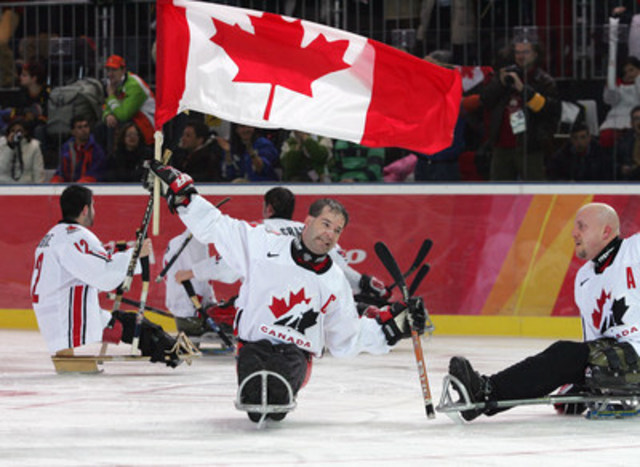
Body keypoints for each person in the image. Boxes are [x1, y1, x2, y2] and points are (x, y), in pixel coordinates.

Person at [147, 161, 427, 423]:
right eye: (326, 224)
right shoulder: (262, 245)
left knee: (275, 400)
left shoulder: (334, 280)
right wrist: (185, 196)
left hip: (296, 356)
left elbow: (345, 339)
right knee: (255, 402)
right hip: (252, 346)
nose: (330, 234)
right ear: (308, 221)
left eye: (337, 230)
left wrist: (390, 328)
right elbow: (217, 226)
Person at [447, 202, 640, 421]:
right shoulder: (584, 278)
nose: (573, 233)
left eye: (581, 226)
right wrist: (580, 382)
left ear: (606, 231)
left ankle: (485, 391)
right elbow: (592, 344)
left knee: (566, 353)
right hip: (616, 358)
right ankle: (484, 394)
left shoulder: (635, 250)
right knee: (565, 353)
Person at [29, 184, 190, 367]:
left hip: (54, 310)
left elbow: (86, 263)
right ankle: (171, 352)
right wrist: (136, 256)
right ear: (85, 209)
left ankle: (167, 348)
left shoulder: (53, 236)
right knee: (131, 325)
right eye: (93, 206)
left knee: (123, 323)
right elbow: (103, 273)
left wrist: (123, 252)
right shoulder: (77, 237)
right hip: (67, 313)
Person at [173, 187, 391, 310]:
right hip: (312, 311)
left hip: (268, 312)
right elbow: (342, 271)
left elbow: (227, 268)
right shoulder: (314, 233)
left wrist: (190, 273)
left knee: (220, 311)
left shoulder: (259, 230)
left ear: (268, 208)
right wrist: (366, 285)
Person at [480, 37, 559, 181]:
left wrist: (523, 89)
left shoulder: (543, 80)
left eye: (526, 52)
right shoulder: (505, 76)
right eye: (517, 52)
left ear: (535, 54)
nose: (521, 56)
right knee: (499, 195)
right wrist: (500, 83)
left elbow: (548, 110)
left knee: (535, 194)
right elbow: (485, 101)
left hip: (530, 147)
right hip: (502, 146)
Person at [102, 54, 156, 146]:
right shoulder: (114, 83)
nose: (110, 74)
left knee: (119, 126)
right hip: (133, 123)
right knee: (104, 126)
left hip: (148, 127)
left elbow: (124, 115)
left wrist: (111, 96)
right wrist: (107, 115)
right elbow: (106, 107)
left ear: (123, 70)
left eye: (114, 70)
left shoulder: (134, 85)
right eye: (108, 70)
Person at [546, 123, 614, 181]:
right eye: (575, 138)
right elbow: (553, 177)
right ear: (571, 139)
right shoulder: (561, 156)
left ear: (589, 138)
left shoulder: (600, 153)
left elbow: (607, 176)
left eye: (583, 137)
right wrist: (566, 182)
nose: (579, 142)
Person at [51, 116, 108, 183]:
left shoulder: (96, 149)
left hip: (90, 187)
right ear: (73, 132)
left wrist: (79, 184)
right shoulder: (66, 148)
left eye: (86, 126)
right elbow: (61, 171)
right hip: (70, 186)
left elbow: (96, 174)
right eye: (80, 127)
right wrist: (54, 182)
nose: (84, 130)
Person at [0, 118, 44, 183]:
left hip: (25, 185)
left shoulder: (34, 146)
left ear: (25, 132)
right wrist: (9, 147)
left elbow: (38, 170)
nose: (15, 133)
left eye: (19, 131)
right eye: (13, 130)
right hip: (4, 184)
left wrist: (39, 188)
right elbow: (2, 168)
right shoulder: (1, 143)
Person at [618, 105, 640, 180]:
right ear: (631, 123)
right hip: (630, 181)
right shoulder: (624, 139)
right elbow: (614, 162)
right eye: (636, 119)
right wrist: (621, 168)